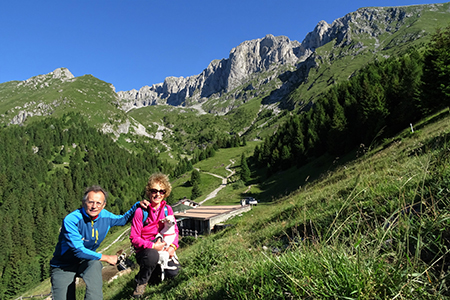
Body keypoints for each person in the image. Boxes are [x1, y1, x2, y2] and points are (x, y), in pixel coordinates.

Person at [50, 185, 150, 300]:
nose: (94, 206)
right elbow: (78, 250)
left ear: (104, 205)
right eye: (90, 202)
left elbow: (122, 220)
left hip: (87, 261)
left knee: (95, 267)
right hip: (63, 265)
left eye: (98, 203)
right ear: (83, 203)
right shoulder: (72, 220)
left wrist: (137, 206)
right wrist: (107, 257)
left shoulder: (105, 216)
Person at [130, 173, 181, 298]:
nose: (158, 194)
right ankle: (141, 284)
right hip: (145, 250)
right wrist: (152, 245)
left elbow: (174, 230)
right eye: (154, 191)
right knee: (152, 256)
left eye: (161, 191)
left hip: (163, 247)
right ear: (149, 192)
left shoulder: (167, 209)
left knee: (174, 274)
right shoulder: (140, 211)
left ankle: (153, 273)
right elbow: (134, 238)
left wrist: (173, 247)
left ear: (165, 193)